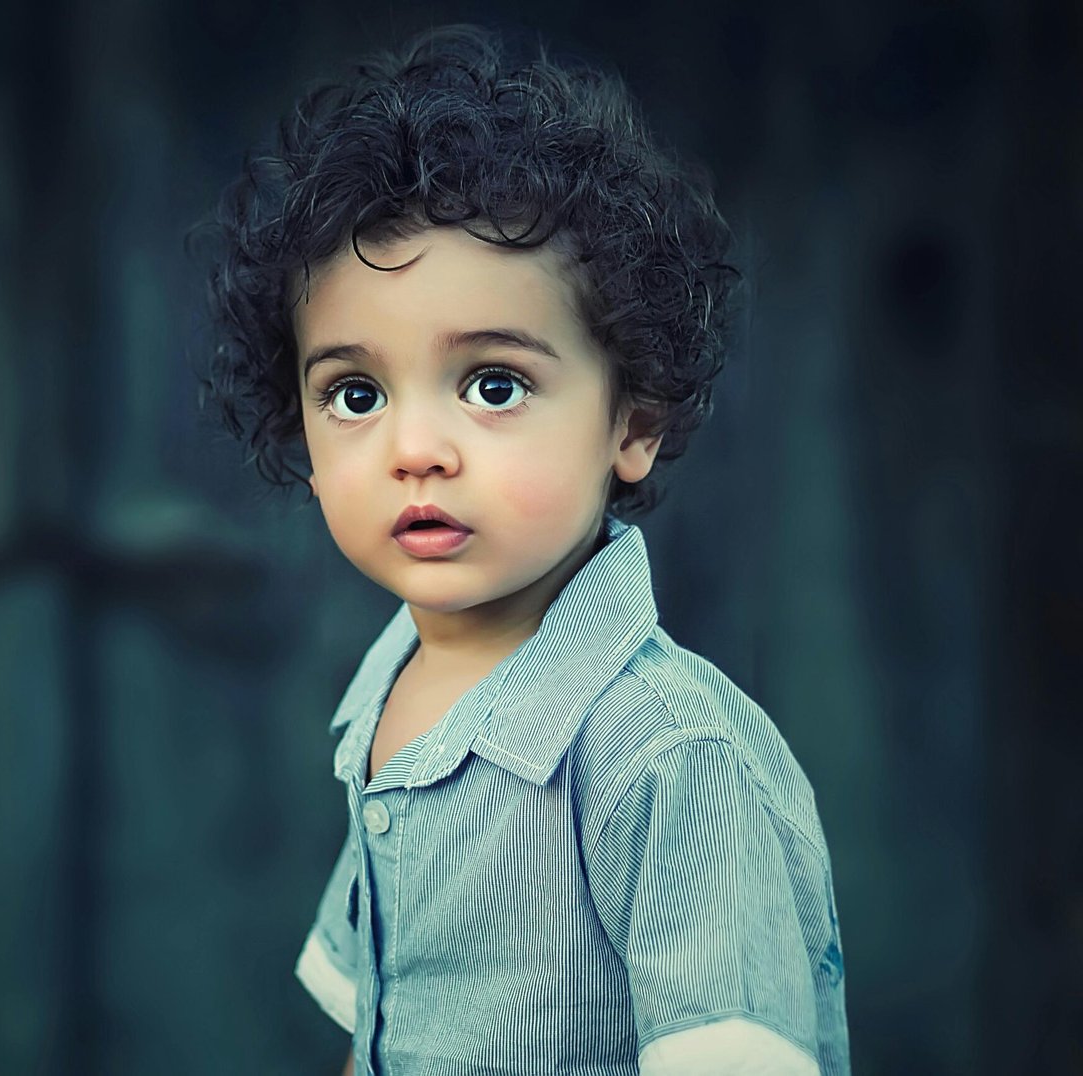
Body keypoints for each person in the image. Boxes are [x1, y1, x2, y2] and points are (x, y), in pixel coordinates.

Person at [193, 23, 850, 1076]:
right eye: (354, 394)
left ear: (629, 421)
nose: (414, 449)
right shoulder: (386, 690)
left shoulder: (665, 755)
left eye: (493, 384)